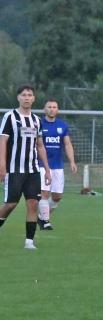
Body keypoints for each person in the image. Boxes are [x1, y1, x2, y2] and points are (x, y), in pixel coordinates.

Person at [0, 84, 52, 249]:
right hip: (14, 169)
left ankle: (29, 241)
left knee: (33, 203)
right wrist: (2, 164)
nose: (27, 98)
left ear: (34, 98)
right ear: (18, 98)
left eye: (30, 95)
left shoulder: (37, 120)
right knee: (11, 204)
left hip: (33, 170)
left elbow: (40, 145)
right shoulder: (10, 117)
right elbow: (3, 141)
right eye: (24, 95)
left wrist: (47, 170)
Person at [37, 99, 78, 230]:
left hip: (58, 166)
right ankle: (46, 221)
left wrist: (72, 161)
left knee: (57, 197)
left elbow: (67, 144)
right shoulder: (39, 124)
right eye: (49, 107)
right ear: (45, 109)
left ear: (57, 110)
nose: (52, 109)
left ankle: (41, 217)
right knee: (44, 193)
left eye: (54, 107)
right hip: (41, 164)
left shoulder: (62, 125)